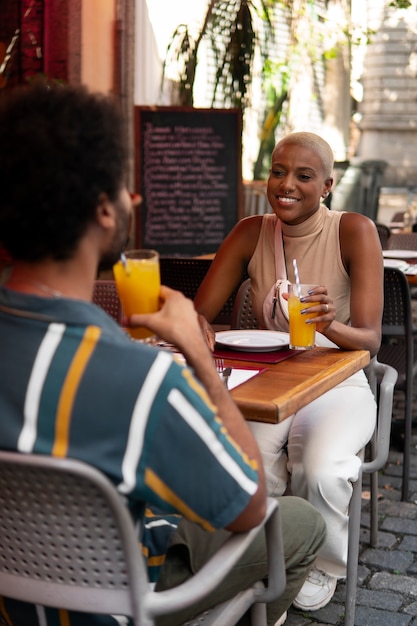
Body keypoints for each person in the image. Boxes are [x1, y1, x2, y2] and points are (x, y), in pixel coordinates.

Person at [0, 82, 325, 626]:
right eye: (126, 186)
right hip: (120, 603)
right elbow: (247, 507)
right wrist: (200, 357)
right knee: (298, 522)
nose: (137, 198)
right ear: (106, 210)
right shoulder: (140, 379)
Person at [194, 131, 384, 612]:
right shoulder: (248, 232)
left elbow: (370, 339)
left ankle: (320, 564)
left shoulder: (353, 230)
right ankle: (251, 561)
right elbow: (200, 311)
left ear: (327, 185)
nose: (286, 184)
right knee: (243, 463)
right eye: (278, 171)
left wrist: (330, 323)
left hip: (337, 380)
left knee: (319, 468)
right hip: (270, 380)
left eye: (303, 176)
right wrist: (197, 333)